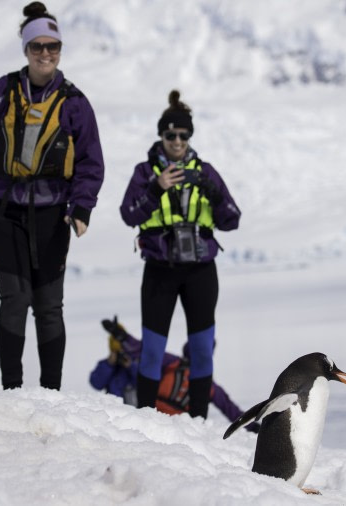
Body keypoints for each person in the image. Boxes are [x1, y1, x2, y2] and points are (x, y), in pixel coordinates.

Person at [0, 2, 105, 390]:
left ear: (60, 50)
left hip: (52, 217)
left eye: (53, 46)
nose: (45, 54)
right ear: (26, 50)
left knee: (49, 307)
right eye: (38, 47)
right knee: (15, 300)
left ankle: (51, 393)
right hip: (0, 212)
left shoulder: (74, 103)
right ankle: (12, 391)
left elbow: (90, 162)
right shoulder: (2, 93)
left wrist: (82, 206)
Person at [120, 91, 241, 418]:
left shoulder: (207, 172)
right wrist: (155, 189)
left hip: (200, 272)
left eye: (183, 135)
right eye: (170, 135)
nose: (176, 141)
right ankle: (145, 419)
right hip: (160, 271)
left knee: (202, 351)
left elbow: (232, 219)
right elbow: (129, 215)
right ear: (161, 136)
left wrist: (213, 191)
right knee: (152, 352)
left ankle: (198, 422)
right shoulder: (144, 173)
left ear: (190, 136)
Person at [90, 317, 256, 430]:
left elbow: (145, 350)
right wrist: (253, 427)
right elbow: (230, 410)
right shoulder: (210, 386)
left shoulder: (174, 362)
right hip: (175, 429)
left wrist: (124, 338)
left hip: (154, 421)